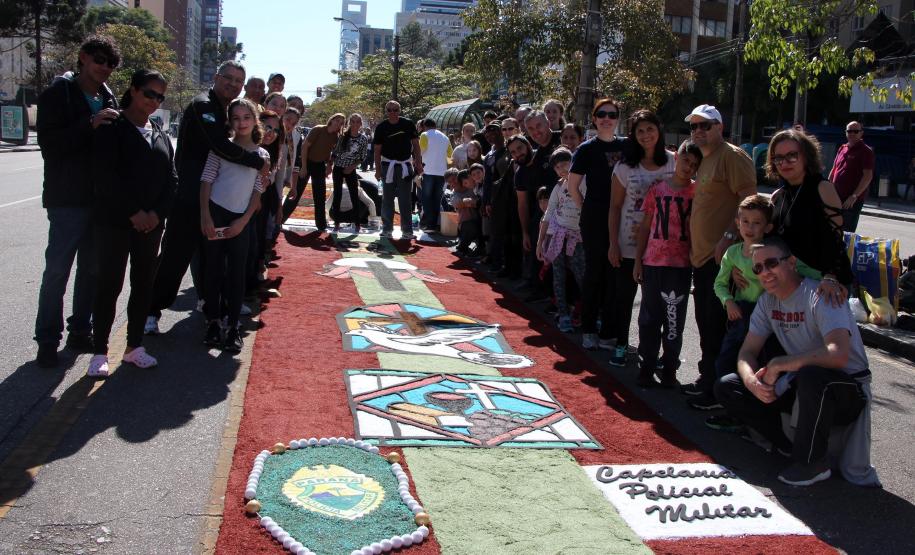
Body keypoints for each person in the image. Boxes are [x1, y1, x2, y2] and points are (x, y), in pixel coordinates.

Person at [715, 236, 874, 487]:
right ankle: (789, 446)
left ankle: (812, 463)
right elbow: (747, 353)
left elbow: (838, 354)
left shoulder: (820, 294)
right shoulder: (767, 302)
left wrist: (778, 364)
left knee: (811, 375)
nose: (765, 272)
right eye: (758, 268)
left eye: (771, 263)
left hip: (845, 388)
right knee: (728, 385)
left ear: (791, 262)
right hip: (801, 383)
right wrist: (750, 380)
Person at [145, 60, 268, 336]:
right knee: (176, 256)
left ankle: (217, 305)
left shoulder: (229, 111)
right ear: (215, 77)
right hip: (190, 195)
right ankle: (151, 310)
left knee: (216, 258)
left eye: (239, 80)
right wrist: (256, 162)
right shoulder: (203, 105)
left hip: (220, 198)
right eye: (229, 78)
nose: (233, 84)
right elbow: (220, 146)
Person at [34, 35, 121, 367]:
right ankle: (47, 338)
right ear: (83, 57)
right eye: (99, 60)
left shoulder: (109, 96)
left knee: (92, 271)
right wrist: (89, 124)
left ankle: (80, 331)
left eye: (110, 64)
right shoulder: (59, 93)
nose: (104, 68)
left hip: (100, 201)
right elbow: (50, 145)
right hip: (67, 199)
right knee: (57, 270)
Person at [706, 194, 822, 429]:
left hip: (769, 320)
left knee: (763, 366)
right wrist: (728, 301)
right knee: (727, 363)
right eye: (745, 221)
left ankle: (759, 416)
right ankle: (732, 410)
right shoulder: (734, 253)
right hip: (741, 315)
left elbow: (804, 270)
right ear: (737, 223)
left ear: (768, 226)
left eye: (756, 222)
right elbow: (719, 283)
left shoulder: (773, 253)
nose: (749, 227)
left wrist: (828, 278)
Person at [86, 69, 174, 377]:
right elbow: (105, 177)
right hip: (114, 222)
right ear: (134, 90)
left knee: (143, 285)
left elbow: (171, 181)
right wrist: (133, 212)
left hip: (150, 227)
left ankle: (134, 347)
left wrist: (155, 214)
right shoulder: (112, 127)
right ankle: (99, 352)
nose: (154, 101)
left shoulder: (160, 133)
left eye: (160, 97)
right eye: (149, 93)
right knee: (109, 284)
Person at [682, 104, 757, 409]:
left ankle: (718, 390)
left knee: (718, 326)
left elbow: (749, 200)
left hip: (722, 259)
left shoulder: (732, 156)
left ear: (719, 127)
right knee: (705, 323)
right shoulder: (705, 159)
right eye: (694, 126)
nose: (699, 131)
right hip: (701, 257)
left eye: (705, 125)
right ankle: (707, 378)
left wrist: (729, 237)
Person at [199, 99, 269, 352]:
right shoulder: (221, 148)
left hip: (241, 219)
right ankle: (213, 321)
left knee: (238, 272)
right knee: (214, 269)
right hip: (216, 213)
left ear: (255, 120)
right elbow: (206, 181)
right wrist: (206, 216)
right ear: (230, 121)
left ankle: (232, 325)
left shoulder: (262, 155)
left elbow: (257, 191)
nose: (241, 123)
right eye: (236, 118)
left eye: (246, 117)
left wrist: (244, 220)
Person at [608, 109, 675, 367]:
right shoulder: (625, 167)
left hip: (662, 246)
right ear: (633, 136)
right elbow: (614, 207)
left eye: (650, 129)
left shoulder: (674, 161)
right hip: (628, 243)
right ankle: (621, 345)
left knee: (656, 304)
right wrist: (613, 243)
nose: (646, 135)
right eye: (640, 131)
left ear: (659, 130)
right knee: (624, 299)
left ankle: (653, 352)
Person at [632, 141, 701, 388]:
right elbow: (645, 226)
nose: (688, 168)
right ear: (677, 157)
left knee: (674, 320)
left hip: (681, 266)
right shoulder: (658, 189)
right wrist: (638, 261)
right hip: (653, 262)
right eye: (686, 161)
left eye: (694, 165)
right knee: (649, 318)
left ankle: (670, 366)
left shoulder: (697, 192)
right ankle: (646, 365)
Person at [567, 98, 625, 350]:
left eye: (611, 114)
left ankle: (609, 332)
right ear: (594, 118)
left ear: (618, 119)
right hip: (594, 218)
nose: (606, 118)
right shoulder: (586, 149)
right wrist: (585, 210)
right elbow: (573, 185)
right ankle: (589, 328)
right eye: (601, 114)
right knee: (594, 275)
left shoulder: (627, 146)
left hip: (623, 218)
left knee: (615, 276)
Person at [768, 129, 854, 290]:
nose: (784, 163)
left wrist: (831, 276)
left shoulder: (822, 188)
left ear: (806, 157)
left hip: (824, 284)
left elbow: (835, 240)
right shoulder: (777, 196)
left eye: (792, 156)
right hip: (787, 284)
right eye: (778, 158)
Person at [536, 148, 585, 332]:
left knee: (582, 276)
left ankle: (588, 314)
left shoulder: (584, 182)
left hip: (578, 237)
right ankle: (563, 314)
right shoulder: (557, 187)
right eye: (557, 167)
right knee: (558, 276)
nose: (562, 169)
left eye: (565, 163)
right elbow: (548, 214)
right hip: (558, 235)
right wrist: (540, 243)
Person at [282, 113, 344, 229]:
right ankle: (280, 219)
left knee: (320, 195)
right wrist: (304, 167)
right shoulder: (318, 129)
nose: (338, 124)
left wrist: (329, 165)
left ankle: (321, 224)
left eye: (341, 123)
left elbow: (332, 153)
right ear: (331, 120)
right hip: (306, 161)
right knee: (295, 192)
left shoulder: (336, 137)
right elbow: (305, 147)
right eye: (337, 120)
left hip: (319, 165)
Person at [373, 100, 423, 238]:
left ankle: (407, 231)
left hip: (405, 166)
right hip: (387, 165)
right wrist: (377, 170)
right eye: (390, 110)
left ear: (399, 111)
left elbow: (416, 145)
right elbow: (377, 150)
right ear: (386, 111)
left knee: (405, 199)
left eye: (395, 110)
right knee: (387, 198)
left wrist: (418, 164)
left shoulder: (408, 124)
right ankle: (387, 229)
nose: (392, 112)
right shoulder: (381, 127)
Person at [828, 121, 874, 233]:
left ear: (861, 133)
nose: (852, 133)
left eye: (856, 131)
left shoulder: (866, 151)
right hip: (835, 197)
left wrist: (854, 196)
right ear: (845, 132)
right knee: (831, 229)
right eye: (849, 131)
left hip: (850, 201)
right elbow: (834, 169)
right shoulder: (842, 148)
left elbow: (868, 176)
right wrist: (827, 189)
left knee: (846, 233)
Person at [331, 113, 370, 232]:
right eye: (352, 121)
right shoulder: (342, 136)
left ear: (360, 124)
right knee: (337, 194)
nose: (355, 124)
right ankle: (336, 222)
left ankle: (357, 223)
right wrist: (329, 166)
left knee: (354, 194)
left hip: (351, 169)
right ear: (349, 123)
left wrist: (352, 167)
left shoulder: (363, 139)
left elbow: (362, 157)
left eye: (357, 122)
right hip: (338, 167)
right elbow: (335, 153)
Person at [419, 118, 453, 231]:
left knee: (427, 199)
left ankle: (429, 225)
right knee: (437, 199)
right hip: (442, 173)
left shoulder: (424, 135)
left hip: (427, 171)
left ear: (424, 126)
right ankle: (435, 224)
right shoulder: (445, 137)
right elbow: (450, 157)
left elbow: (420, 152)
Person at [451, 169, 482, 256]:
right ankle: (463, 244)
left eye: (465, 183)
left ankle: (481, 247)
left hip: (482, 219)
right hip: (469, 222)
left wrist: (474, 202)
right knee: (470, 226)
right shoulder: (457, 192)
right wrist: (469, 202)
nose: (452, 184)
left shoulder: (478, 186)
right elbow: (457, 203)